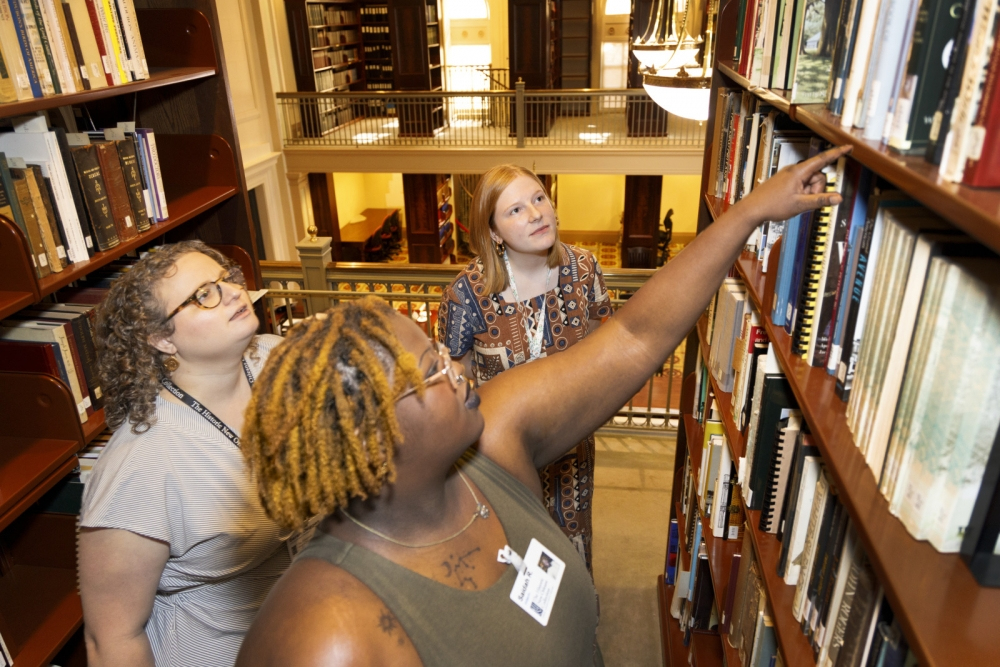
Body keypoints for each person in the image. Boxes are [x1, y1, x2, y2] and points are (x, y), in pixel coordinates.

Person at [235, 145, 851, 667]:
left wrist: (748, 214)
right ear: (374, 439)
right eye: (432, 369)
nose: (455, 366)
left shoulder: (495, 434)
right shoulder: (326, 632)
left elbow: (632, 338)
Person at [78, 241, 292, 667]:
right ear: (161, 339)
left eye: (226, 277)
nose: (232, 291)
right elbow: (111, 639)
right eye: (203, 295)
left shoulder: (276, 359)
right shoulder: (141, 463)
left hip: (307, 628)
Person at [437, 164, 611, 571]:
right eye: (514, 210)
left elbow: (601, 352)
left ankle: (576, 629)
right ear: (493, 233)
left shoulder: (584, 270)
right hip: (500, 458)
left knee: (571, 544)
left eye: (538, 198)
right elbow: (453, 383)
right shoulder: (467, 294)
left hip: (571, 452)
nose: (535, 213)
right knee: (511, 553)